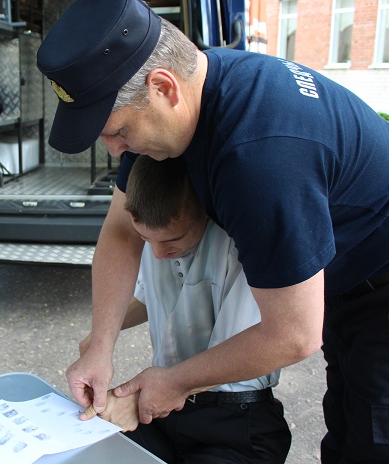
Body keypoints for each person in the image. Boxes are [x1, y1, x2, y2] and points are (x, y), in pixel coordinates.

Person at [36, 0, 389, 462]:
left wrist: (176, 381)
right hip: (342, 274)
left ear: (163, 87)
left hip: (380, 285)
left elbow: (294, 333)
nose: (115, 150)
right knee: (346, 419)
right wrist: (100, 344)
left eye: (117, 131)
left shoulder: (260, 159)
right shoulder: (194, 88)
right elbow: (122, 231)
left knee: (374, 438)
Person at [80, 155, 291, 462]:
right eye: (145, 239)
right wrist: (100, 339)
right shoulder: (157, 239)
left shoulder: (239, 248)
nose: (158, 253)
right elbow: (147, 299)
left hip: (234, 417)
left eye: (172, 240)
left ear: (205, 212)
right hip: (165, 410)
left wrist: (132, 399)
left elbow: (246, 350)